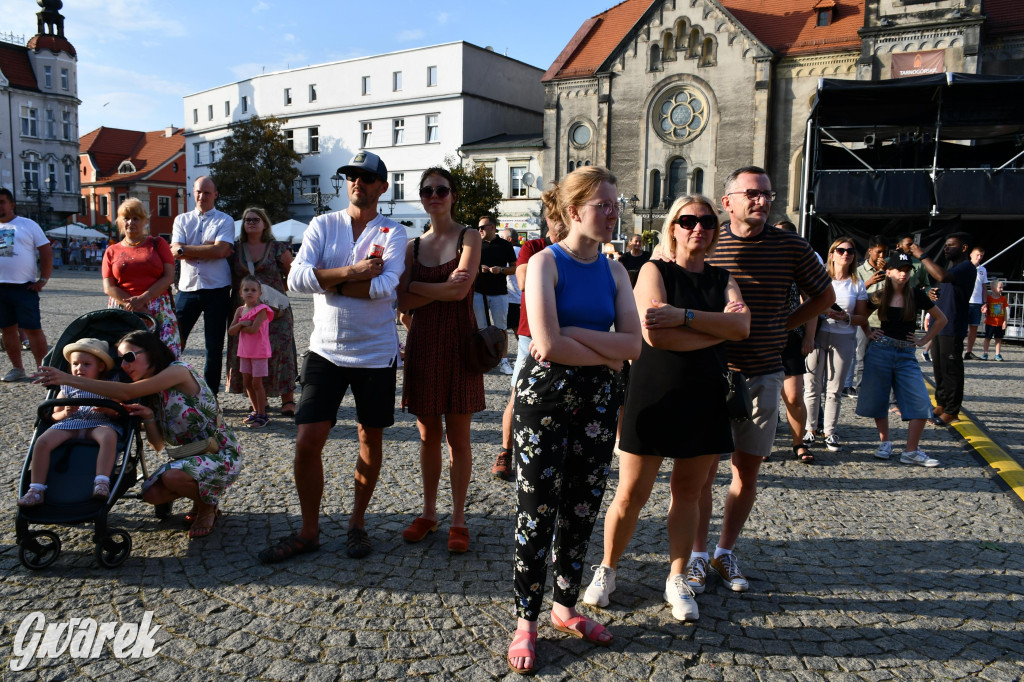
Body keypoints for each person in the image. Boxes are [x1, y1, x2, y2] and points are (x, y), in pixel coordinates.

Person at [582, 194, 749, 623]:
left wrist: (685, 316)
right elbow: (656, 335)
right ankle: (607, 569)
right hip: (654, 393)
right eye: (689, 220)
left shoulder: (723, 277)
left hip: (705, 395)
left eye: (708, 221)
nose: (699, 228)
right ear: (672, 227)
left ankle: (676, 577)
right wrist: (717, 328)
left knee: (688, 495)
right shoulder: (654, 270)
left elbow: (743, 326)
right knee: (631, 494)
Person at [506, 166, 641, 675]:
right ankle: (526, 620)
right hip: (545, 404)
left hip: (598, 403)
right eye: (602, 205)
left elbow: (633, 345)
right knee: (537, 510)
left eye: (615, 205)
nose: (612, 213)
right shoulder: (545, 262)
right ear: (573, 211)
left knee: (582, 507)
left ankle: (565, 608)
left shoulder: (615, 270)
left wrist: (594, 350)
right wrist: (607, 354)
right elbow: (545, 342)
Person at [688, 166, 834, 596]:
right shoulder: (708, 243)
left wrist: (784, 324)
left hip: (765, 371)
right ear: (727, 200)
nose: (762, 200)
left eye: (767, 194)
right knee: (701, 472)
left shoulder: (791, 245)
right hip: (711, 372)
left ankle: (724, 550)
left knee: (746, 470)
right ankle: (697, 555)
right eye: (752, 193)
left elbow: (823, 296)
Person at [259, 150, 406, 562]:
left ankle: (357, 523)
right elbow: (295, 279)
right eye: (351, 176)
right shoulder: (323, 225)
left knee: (369, 439)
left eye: (366, 176)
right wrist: (351, 273)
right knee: (307, 441)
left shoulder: (393, 233)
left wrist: (331, 282)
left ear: (382, 186)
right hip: (325, 350)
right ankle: (309, 531)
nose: (356, 181)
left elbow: (387, 288)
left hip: (376, 354)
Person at [34, 330, 242, 538]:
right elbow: (159, 444)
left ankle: (207, 507)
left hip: (219, 452)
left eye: (129, 357)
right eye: (120, 360)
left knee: (173, 477)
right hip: (189, 456)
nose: (124, 365)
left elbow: (127, 392)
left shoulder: (178, 371)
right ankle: (200, 496)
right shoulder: (151, 394)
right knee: (150, 494)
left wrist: (68, 380)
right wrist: (149, 417)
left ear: (151, 352)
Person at [397, 167, 484, 554]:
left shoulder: (470, 236)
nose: (435, 195)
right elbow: (402, 301)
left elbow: (462, 290)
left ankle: (460, 518)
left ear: (453, 195)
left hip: (459, 343)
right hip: (424, 343)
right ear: (422, 197)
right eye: (428, 190)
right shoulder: (412, 247)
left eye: (442, 189)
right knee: (428, 436)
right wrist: (437, 289)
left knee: (459, 439)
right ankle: (430, 512)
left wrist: (419, 287)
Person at [491, 208, 564, 482]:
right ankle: (506, 452)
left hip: (568, 331)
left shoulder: (581, 250)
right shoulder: (534, 247)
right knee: (518, 395)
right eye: (556, 217)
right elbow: (522, 280)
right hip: (530, 334)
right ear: (548, 220)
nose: (561, 224)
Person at [857, 252, 947, 467]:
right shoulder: (880, 294)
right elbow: (859, 314)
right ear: (888, 272)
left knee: (921, 401)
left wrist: (923, 339)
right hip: (881, 349)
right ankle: (885, 443)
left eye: (907, 271)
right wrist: (869, 332)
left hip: (907, 352)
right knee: (879, 399)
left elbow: (941, 319)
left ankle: (911, 451)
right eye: (899, 270)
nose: (903, 274)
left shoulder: (916, 294)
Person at [18, 338, 122, 506]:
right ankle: (36, 489)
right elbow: (54, 415)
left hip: (99, 422)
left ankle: (101, 482)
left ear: (101, 367)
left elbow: (119, 410)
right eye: (75, 364)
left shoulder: (110, 384)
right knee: (42, 441)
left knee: (109, 436)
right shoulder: (67, 386)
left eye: (86, 364)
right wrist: (65, 412)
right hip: (71, 423)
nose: (79, 368)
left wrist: (109, 410)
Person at [225, 207, 297, 416]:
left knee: (282, 351)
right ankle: (259, 401)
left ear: (265, 223)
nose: (252, 222)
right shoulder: (236, 250)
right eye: (247, 219)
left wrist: (276, 294)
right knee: (250, 351)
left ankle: (288, 400)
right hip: (245, 309)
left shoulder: (277, 247)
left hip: (276, 310)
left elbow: (293, 275)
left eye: (256, 219)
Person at [802, 237, 868, 453]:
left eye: (849, 251)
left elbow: (862, 318)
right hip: (818, 333)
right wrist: (811, 335)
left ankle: (829, 431)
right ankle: (810, 429)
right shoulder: (820, 279)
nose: (845, 254)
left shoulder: (857, 284)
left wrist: (845, 318)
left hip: (843, 337)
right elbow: (808, 307)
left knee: (835, 388)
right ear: (831, 254)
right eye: (840, 251)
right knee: (812, 385)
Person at [171, 176, 235, 394]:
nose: (202, 196)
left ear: (215, 194)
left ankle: (210, 394)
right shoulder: (182, 220)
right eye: (198, 192)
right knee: (174, 341)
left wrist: (186, 249)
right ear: (193, 192)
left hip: (217, 288)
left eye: (207, 192)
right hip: (187, 287)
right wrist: (207, 248)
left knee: (214, 346)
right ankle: (170, 385)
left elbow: (221, 251)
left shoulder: (225, 220)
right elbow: (174, 251)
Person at [909, 233, 975, 426]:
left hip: (953, 325)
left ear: (964, 248)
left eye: (951, 245)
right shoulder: (952, 267)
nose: (946, 248)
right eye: (945, 245)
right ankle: (941, 403)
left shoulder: (965, 267)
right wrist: (933, 292)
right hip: (942, 324)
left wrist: (922, 255)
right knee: (939, 367)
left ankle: (952, 410)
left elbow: (941, 276)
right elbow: (943, 283)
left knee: (951, 370)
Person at [102, 197, 181, 358]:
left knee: (165, 355)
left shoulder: (158, 244)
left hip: (157, 306)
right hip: (124, 308)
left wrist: (144, 298)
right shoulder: (111, 251)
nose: (131, 222)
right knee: (126, 356)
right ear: (120, 222)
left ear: (144, 221)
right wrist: (134, 304)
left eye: (136, 218)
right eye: (126, 218)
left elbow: (168, 277)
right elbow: (108, 287)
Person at [0, 187, 52, 383]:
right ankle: (17, 368)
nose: (0, 206)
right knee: (7, 329)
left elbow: (46, 251)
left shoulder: (27, 225)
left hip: (24, 287)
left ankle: (43, 369)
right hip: (1, 287)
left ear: (12, 204)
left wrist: (43, 279)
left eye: (2, 202)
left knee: (33, 329)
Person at [775, 220, 814, 464]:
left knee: (792, 396)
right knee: (762, 398)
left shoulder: (797, 266)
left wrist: (809, 336)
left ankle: (798, 443)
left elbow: (813, 302)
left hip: (790, 337)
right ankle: (762, 443)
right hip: (761, 337)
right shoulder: (762, 263)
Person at [228, 275, 274, 428]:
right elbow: (231, 331)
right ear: (240, 293)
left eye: (253, 290)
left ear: (259, 293)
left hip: (259, 351)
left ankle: (263, 414)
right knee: (247, 382)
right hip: (245, 351)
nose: (249, 292)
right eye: (246, 289)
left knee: (257, 383)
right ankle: (255, 411)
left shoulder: (262, 310)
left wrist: (241, 325)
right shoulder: (240, 310)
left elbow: (254, 330)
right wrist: (242, 324)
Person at [845, 235, 888, 396]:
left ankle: (882, 391)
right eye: (879, 252)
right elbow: (853, 292)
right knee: (862, 357)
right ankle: (862, 390)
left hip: (884, 320)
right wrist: (869, 282)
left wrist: (889, 273)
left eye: (885, 253)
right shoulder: (859, 270)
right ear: (870, 251)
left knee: (884, 360)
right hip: (865, 320)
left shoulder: (889, 270)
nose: (882, 256)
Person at [474, 215, 517, 375]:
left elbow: (515, 267)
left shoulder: (505, 245)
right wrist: (478, 269)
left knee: (501, 328)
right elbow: (468, 265)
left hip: (499, 293)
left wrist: (501, 270)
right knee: (480, 328)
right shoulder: (477, 244)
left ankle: (504, 361)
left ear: (492, 227)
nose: (479, 230)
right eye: (479, 228)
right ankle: (484, 359)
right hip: (479, 292)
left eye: (482, 227)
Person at [964, 246, 988, 360]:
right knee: (961, 327)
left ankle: (969, 351)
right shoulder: (964, 267)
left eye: (982, 256)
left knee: (974, 328)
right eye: (977, 255)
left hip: (977, 302)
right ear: (971, 255)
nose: (979, 257)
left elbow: (984, 287)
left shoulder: (983, 269)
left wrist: (985, 302)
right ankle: (957, 349)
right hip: (965, 301)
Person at [500, 228, 522, 341]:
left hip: (513, 296)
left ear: (509, 239)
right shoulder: (523, 250)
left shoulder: (511, 251)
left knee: (514, 327)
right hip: (521, 295)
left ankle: (526, 354)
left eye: (502, 238)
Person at [981, 278, 1007, 361]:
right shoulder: (988, 299)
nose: (1002, 289)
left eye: (1002, 287)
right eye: (1000, 287)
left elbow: (1005, 310)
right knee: (987, 338)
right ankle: (985, 353)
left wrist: (1005, 321)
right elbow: (984, 308)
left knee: (998, 339)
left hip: (999, 323)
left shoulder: (1003, 299)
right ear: (993, 288)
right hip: (990, 322)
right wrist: (984, 309)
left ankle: (997, 354)